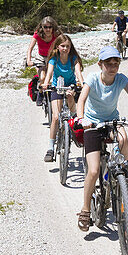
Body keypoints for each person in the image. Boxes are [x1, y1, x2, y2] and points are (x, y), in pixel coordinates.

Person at [75, 46, 128, 232]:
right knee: (93, 171)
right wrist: (80, 118)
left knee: (123, 138)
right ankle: (85, 210)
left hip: (111, 121)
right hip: (92, 125)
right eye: (108, 63)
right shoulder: (93, 79)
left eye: (116, 63)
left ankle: (123, 172)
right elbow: (82, 100)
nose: (112, 67)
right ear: (100, 64)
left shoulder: (121, 79)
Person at [40, 33, 85, 162]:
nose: (65, 49)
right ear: (57, 47)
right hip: (57, 87)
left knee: (71, 104)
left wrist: (82, 84)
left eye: (68, 46)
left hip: (70, 86)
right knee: (55, 116)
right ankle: (50, 148)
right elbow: (49, 73)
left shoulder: (73, 58)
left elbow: (78, 73)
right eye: (63, 46)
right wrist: (45, 83)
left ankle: (72, 121)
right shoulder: (54, 58)